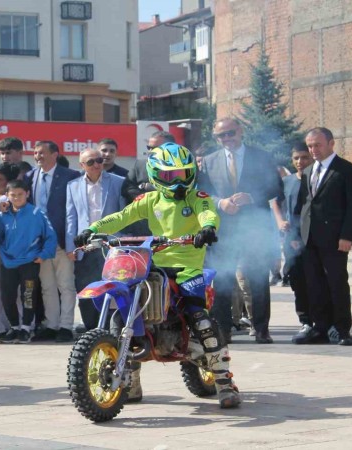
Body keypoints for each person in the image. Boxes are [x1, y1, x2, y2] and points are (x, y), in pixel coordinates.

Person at [74, 142, 241, 409]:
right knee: (126, 311)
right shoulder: (149, 200)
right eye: (169, 176)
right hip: (152, 265)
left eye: (183, 174)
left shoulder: (197, 197)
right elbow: (121, 217)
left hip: (188, 268)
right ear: (155, 175)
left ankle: (224, 383)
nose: (177, 182)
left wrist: (208, 228)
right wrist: (92, 229)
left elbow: (208, 213)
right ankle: (130, 383)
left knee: (201, 320)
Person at [198, 118, 284, 344]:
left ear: (241, 131)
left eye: (230, 133)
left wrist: (252, 197)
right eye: (221, 135)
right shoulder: (208, 161)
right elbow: (202, 194)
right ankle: (223, 330)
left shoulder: (262, 157)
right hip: (224, 231)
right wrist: (221, 203)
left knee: (258, 281)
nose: (227, 138)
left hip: (255, 229)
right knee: (223, 282)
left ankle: (262, 329)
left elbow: (276, 187)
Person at [294, 127, 352, 346]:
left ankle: (342, 329)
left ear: (331, 144)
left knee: (337, 283)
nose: (313, 150)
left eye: (318, 145)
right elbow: (304, 204)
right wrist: (297, 233)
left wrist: (347, 235)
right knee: (314, 284)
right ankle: (320, 327)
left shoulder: (347, 170)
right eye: (310, 146)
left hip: (335, 239)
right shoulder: (308, 171)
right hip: (309, 238)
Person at [65, 148, 127, 329]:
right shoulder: (73, 185)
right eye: (90, 162)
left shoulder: (118, 182)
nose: (96, 165)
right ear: (82, 165)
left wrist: (123, 242)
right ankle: (91, 329)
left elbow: (125, 214)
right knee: (85, 289)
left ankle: (110, 329)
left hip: (111, 244)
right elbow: (71, 218)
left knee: (112, 289)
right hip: (85, 246)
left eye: (99, 160)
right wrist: (70, 247)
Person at [25, 140, 80, 342]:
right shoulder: (29, 177)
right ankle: (51, 325)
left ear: (55, 154)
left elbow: (75, 210)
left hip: (62, 240)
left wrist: (72, 242)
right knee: (47, 286)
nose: (38, 156)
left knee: (65, 285)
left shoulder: (71, 176)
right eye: (35, 153)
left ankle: (66, 326)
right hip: (40, 243)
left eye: (42, 153)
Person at [0, 179, 57, 343]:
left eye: (20, 194)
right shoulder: (2, 215)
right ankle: (14, 327)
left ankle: (26, 328)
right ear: (7, 196)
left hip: (30, 261)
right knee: (7, 296)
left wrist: (44, 254)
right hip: (8, 262)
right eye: (12, 195)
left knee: (28, 295)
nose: (16, 198)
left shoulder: (37, 213)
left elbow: (50, 236)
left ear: (27, 194)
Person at [282, 142, 314, 341]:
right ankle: (306, 321)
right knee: (298, 282)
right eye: (296, 158)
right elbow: (276, 203)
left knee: (317, 282)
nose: (300, 162)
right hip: (291, 241)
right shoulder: (287, 181)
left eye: (304, 157)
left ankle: (324, 321)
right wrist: (281, 222)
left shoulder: (316, 179)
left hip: (313, 240)